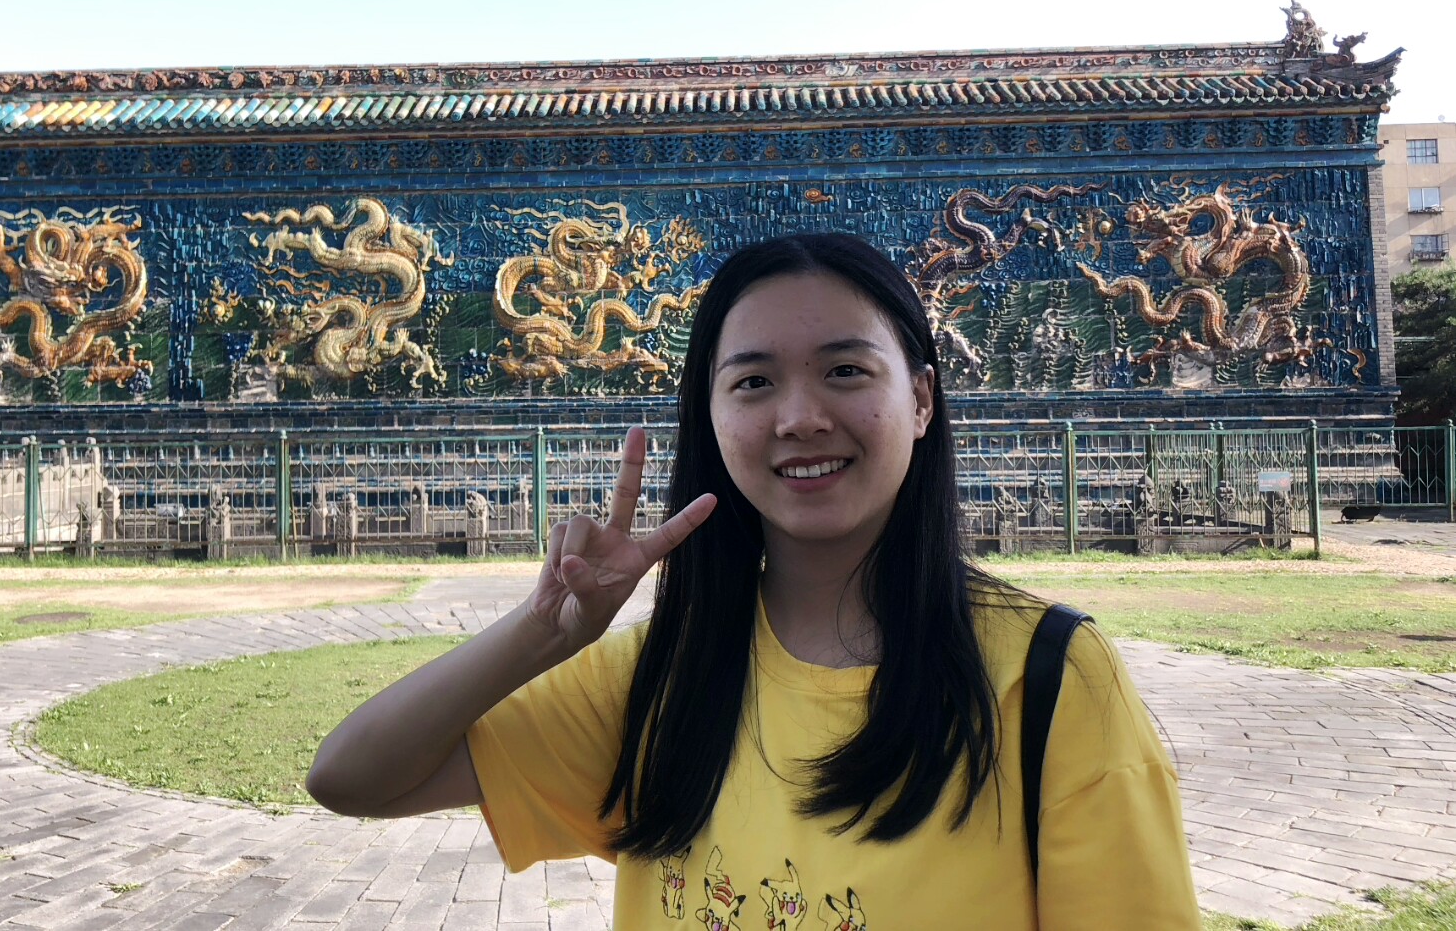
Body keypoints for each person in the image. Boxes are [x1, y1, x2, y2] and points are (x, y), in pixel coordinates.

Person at [307, 232, 1202, 930]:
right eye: (754, 382)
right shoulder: (661, 682)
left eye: (845, 371)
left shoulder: (1049, 682)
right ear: (711, 414)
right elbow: (351, 777)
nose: (800, 417)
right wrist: (543, 633)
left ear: (922, 399)